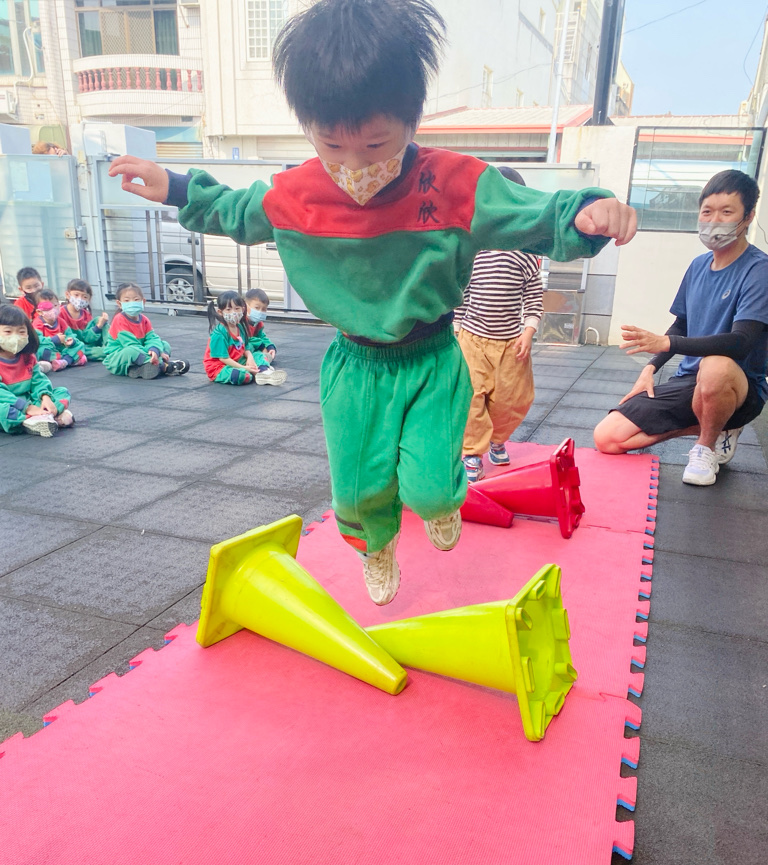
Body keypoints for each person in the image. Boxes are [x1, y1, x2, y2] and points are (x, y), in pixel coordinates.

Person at [109, 0, 636, 605]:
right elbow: (236, 208)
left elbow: (531, 211)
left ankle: (442, 503)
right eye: (332, 144)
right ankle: (377, 546)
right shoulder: (300, 192)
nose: (355, 166)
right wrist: (177, 188)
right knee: (358, 491)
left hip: (431, 355)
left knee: (432, 489)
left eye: (376, 143)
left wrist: (587, 213)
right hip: (355, 364)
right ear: (309, 128)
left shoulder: (454, 182)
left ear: (412, 121)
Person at [594, 170, 768, 486]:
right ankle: (718, 425)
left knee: (715, 366)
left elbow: (742, 341)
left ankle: (705, 447)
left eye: (727, 212)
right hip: (690, 380)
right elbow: (682, 325)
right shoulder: (698, 266)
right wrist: (650, 367)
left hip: (738, 387)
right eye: (707, 211)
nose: (714, 220)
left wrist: (666, 344)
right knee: (607, 438)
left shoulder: (759, 270)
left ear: (748, 217)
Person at [455, 167, 542, 482]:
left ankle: (497, 438)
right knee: (470, 396)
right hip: (473, 338)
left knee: (514, 398)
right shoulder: (472, 250)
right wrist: (456, 328)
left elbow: (533, 297)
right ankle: (471, 453)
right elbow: (461, 293)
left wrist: (528, 331)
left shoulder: (526, 253)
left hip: (510, 342)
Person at [0, 303, 75, 437]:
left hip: (28, 400)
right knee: (3, 410)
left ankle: (43, 417)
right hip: (9, 403)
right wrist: (26, 408)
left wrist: (45, 397)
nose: (15, 337)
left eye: (21, 332)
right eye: (8, 332)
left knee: (62, 392)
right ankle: (29, 420)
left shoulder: (28, 357)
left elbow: (38, 380)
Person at [104, 283, 190, 379]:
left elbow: (152, 337)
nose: (132, 303)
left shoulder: (144, 320)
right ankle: (164, 366)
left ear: (143, 301)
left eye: (136, 299)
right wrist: (156, 355)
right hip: (118, 360)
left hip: (141, 354)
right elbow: (131, 344)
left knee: (164, 344)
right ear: (119, 304)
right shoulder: (119, 320)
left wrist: (155, 350)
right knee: (131, 351)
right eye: (127, 300)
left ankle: (139, 368)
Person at [204, 291, 288, 385]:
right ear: (220, 312)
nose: (234, 313)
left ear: (243, 309)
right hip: (219, 367)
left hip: (238, 359)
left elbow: (245, 346)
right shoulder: (219, 334)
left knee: (258, 355)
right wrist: (244, 368)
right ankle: (257, 372)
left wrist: (250, 357)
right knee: (241, 375)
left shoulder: (240, 327)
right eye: (228, 309)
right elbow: (223, 359)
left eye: (237, 309)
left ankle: (263, 371)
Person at [32, 289, 88, 370]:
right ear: (39, 312)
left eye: (55, 305)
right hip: (50, 348)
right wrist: (53, 340)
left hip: (62, 348)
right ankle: (70, 360)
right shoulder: (37, 323)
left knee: (80, 344)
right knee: (41, 350)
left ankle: (64, 361)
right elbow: (37, 340)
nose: (53, 309)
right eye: (47, 307)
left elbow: (69, 334)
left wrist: (71, 340)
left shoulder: (61, 321)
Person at [58, 278, 109, 362]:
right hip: (71, 347)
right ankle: (109, 352)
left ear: (89, 299)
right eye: (76, 295)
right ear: (67, 295)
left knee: (99, 320)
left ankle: (110, 345)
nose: (80, 299)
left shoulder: (86, 314)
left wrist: (99, 326)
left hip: (86, 344)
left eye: (84, 297)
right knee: (102, 352)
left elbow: (87, 338)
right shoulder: (60, 313)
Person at [244, 288, 277, 365]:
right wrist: (261, 346)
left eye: (264, 309)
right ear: (245, 305)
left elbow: (261, 336)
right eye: (257, 308)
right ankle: (262, 364)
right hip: (240, 349)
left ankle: (262, 358)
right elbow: (245, 339)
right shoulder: (241, 322)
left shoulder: (257, 323)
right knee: (250, 347)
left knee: (259, 351)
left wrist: (270, 346)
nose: (260, 312)